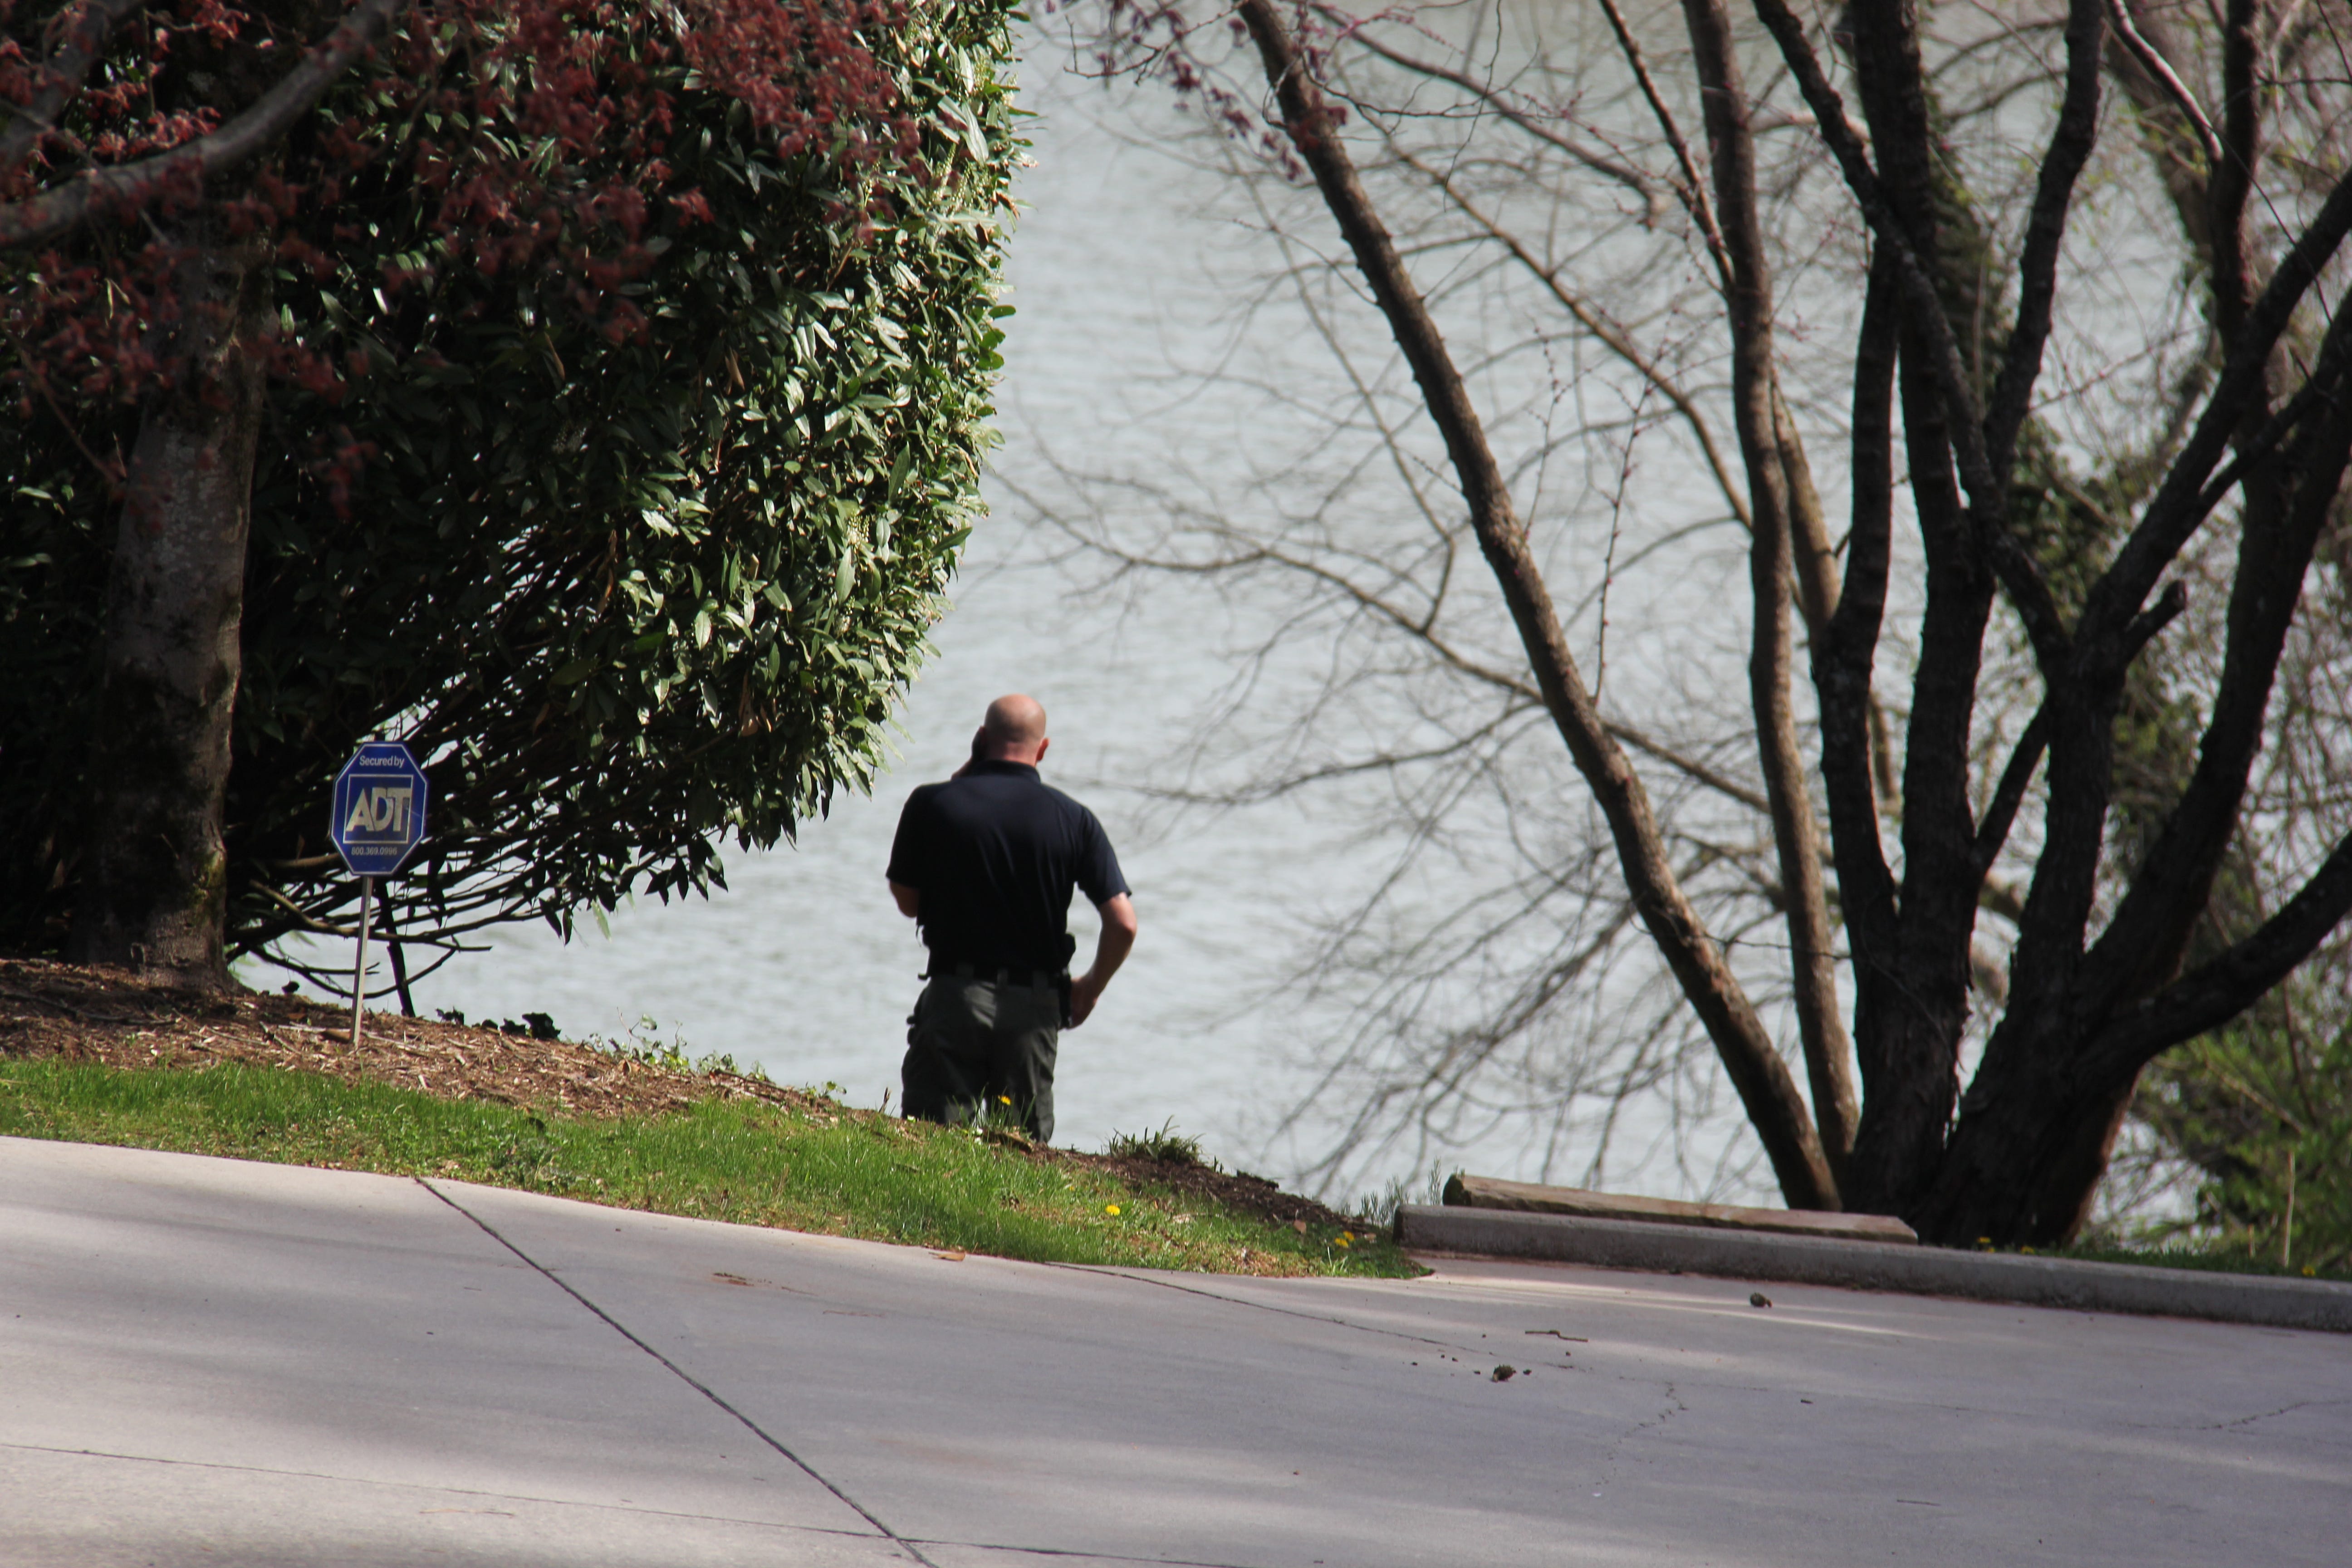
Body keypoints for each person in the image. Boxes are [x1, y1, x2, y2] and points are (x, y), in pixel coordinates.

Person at [885, 694, 1137, 1143]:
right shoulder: (1074, 819)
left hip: (956, 997)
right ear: (1042, 750)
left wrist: (961, 780)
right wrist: (1090, 988)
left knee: (932, 1145)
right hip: (1035, 1008)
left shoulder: (932, 804)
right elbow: (1123, 922)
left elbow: (907, 902)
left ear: (981, 740)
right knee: (1023, 1158)